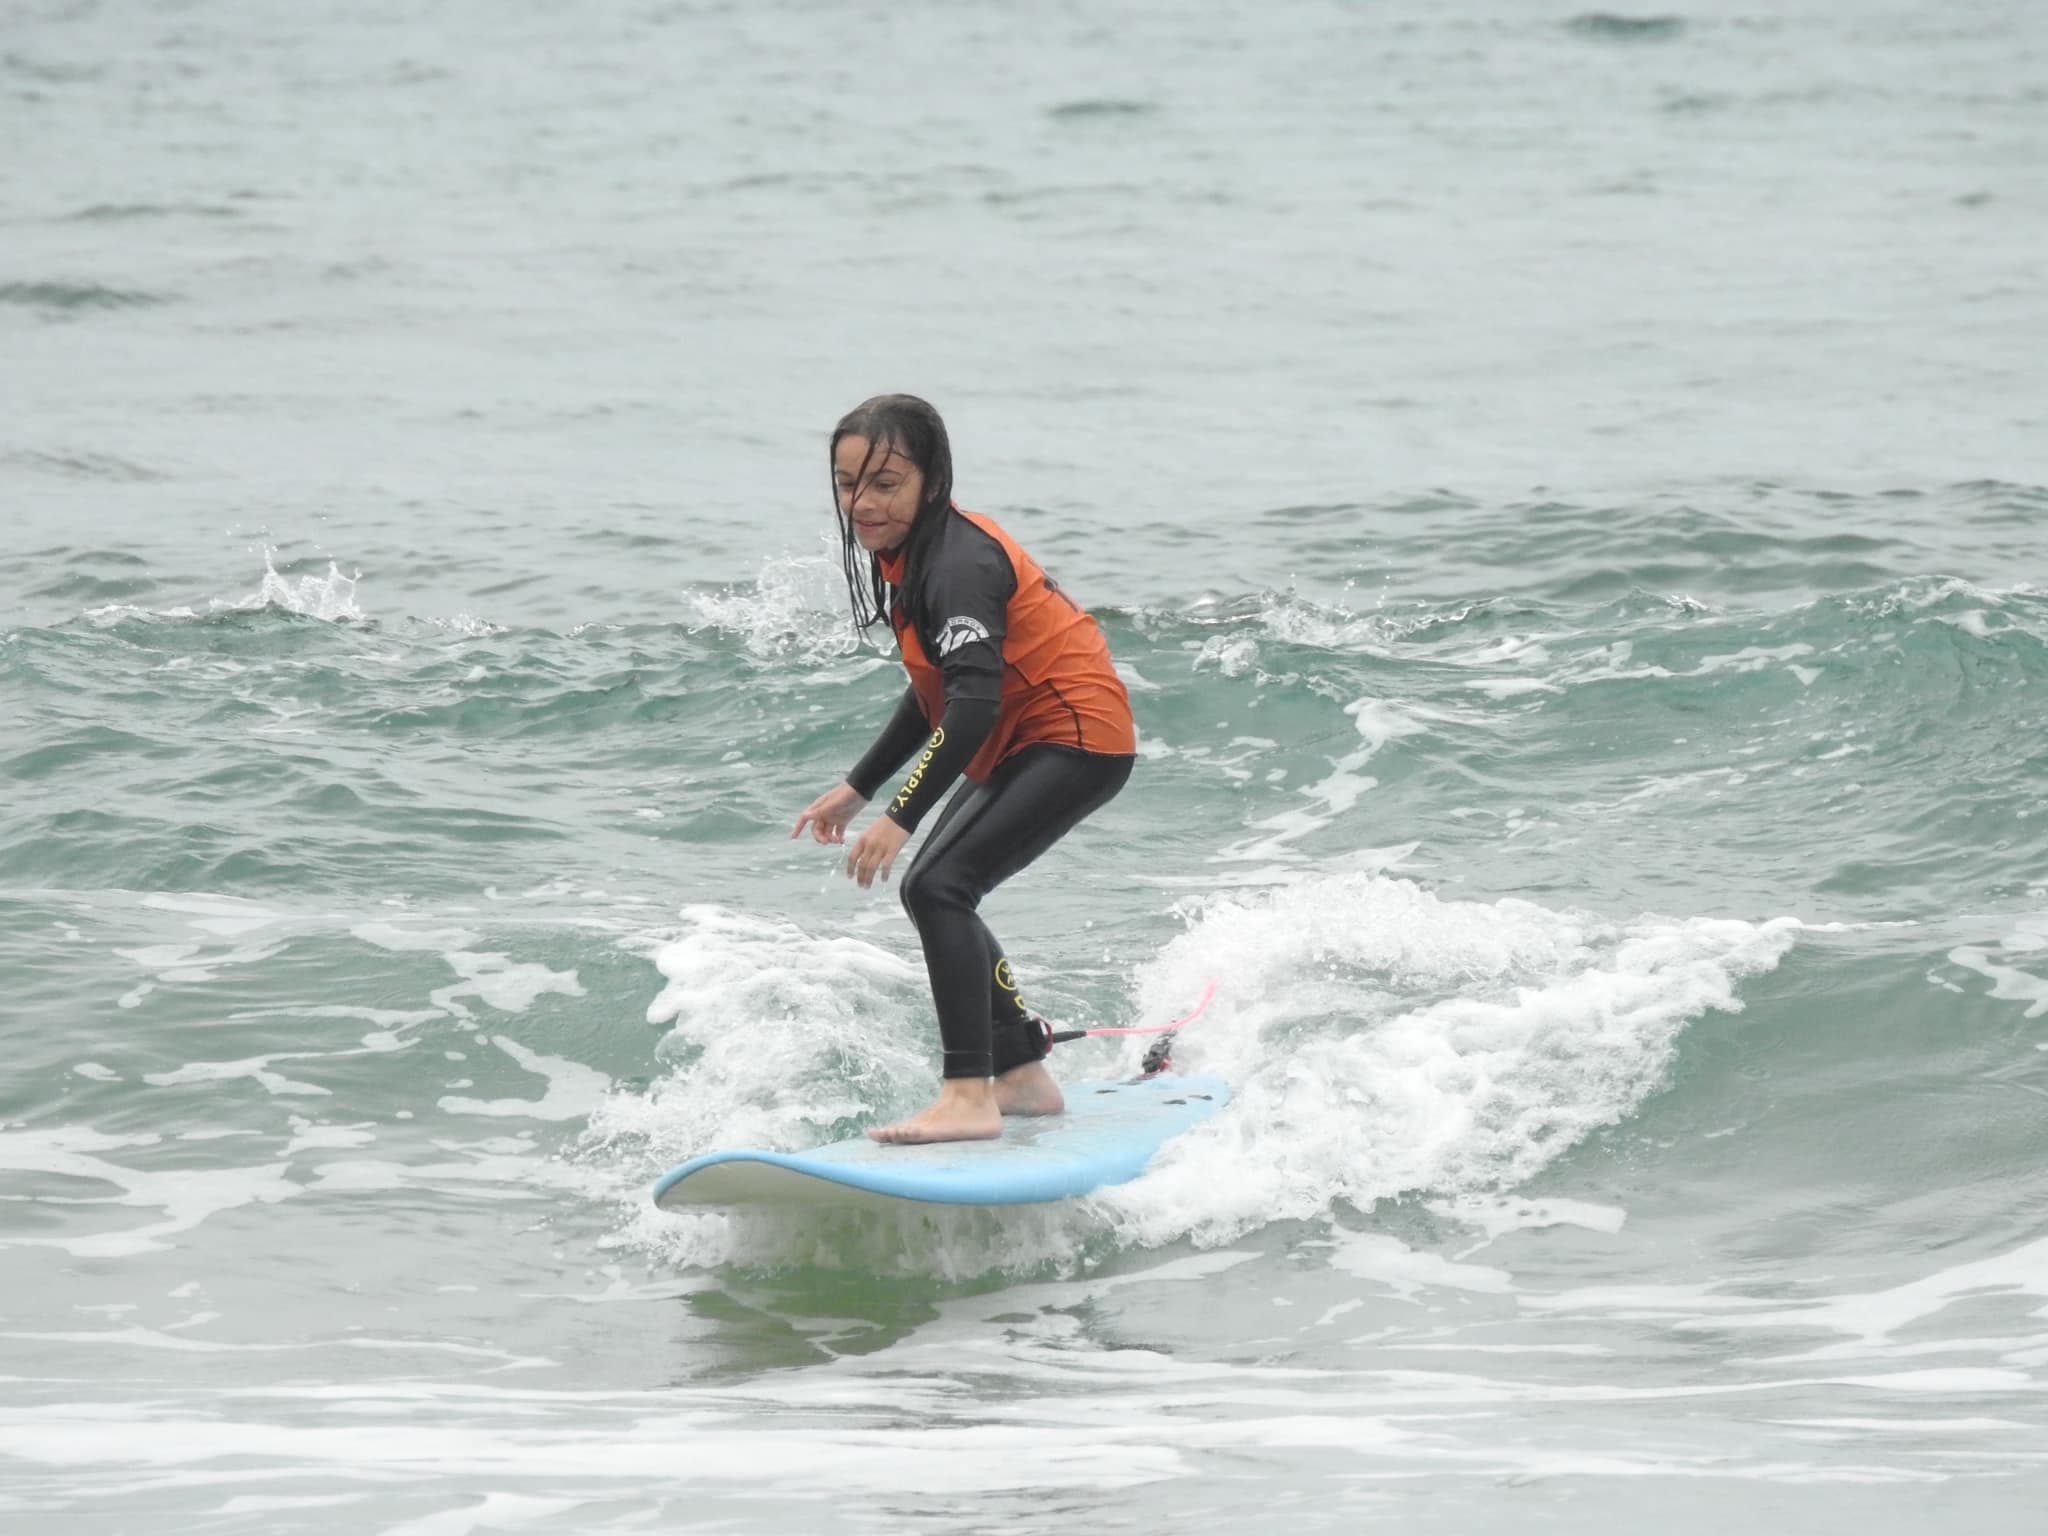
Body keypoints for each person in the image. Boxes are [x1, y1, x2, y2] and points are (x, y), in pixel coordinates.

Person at [790, 394, 1137, 1145]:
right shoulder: (908, 556)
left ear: (931, 479)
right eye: (849, 483)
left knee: (939, 884)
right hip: (1028, 735)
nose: (863, 502)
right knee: (937, 888)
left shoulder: (958, 563)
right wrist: (859, 787)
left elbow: (972, 708)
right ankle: (1019, 1075)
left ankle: (968, 1095)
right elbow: (938, 689)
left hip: (1073, 734)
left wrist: (899, 817)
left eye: (885, 483)